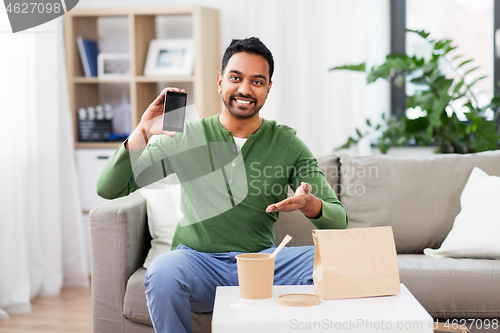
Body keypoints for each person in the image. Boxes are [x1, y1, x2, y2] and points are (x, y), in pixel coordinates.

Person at [96, 37, 347, 333]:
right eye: (235, 78)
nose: (244, 89)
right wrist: (142, 132)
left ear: (268, 88)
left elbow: (339, 222)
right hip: (196, 263)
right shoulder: (185, 137)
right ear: (220, 82)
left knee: (336, 258)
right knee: (163, 271)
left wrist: (311, 204)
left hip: (262, 265)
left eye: (257, 81)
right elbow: (110, 188)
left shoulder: (287, 142)